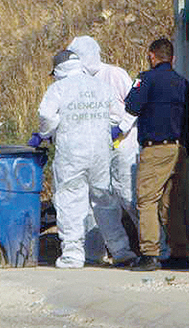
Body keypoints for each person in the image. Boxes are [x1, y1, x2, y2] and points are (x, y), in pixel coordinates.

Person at [29, 50, 129, 269]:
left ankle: (73, 254)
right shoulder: (99, 86)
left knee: (70, 201)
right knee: (104, 200)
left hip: (71, 153)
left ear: (57, 71)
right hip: (101, 153)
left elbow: (46, 116)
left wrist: (45, 133)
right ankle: (121, 250)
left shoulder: (58, 89)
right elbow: (118, 115)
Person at [66, 35, 140, 266]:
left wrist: (121, 128)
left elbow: (134, 105)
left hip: (124, 145)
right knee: (101, 201)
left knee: (129, 196)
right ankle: (120, 252)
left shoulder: (114, 74)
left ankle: (158, 248)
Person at [124, 37, 189, 271]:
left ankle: (149, 253)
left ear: (152, 56)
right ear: (172, 58)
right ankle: (180, 253)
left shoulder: (146, 79)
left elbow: (132, 106)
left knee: (147, 200)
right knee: (172, 203)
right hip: (179, 149)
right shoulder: (184, 83)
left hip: (155, 148)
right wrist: (185, 148)